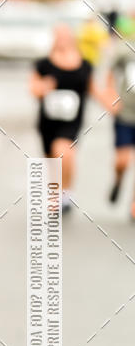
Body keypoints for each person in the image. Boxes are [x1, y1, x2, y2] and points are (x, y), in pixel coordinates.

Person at [30, 24, 103, 213]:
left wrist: (112, 104)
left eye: (65, 35)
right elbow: (34, 89)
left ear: (72, 37)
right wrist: (45, 86)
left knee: (63, 151)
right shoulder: (44, 64)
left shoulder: (84, 65)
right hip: (48, 121)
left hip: (72, 120)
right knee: (53, 158)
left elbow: (94, 89)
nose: (62, 39)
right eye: (58, 35)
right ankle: (57, 193)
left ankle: (66, 191)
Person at [104, 35, 135, 218]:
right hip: (125, 114)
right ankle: (118, 181)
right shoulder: (127, 50)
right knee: (122, 161)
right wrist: (110, 97)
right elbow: (110, 71)